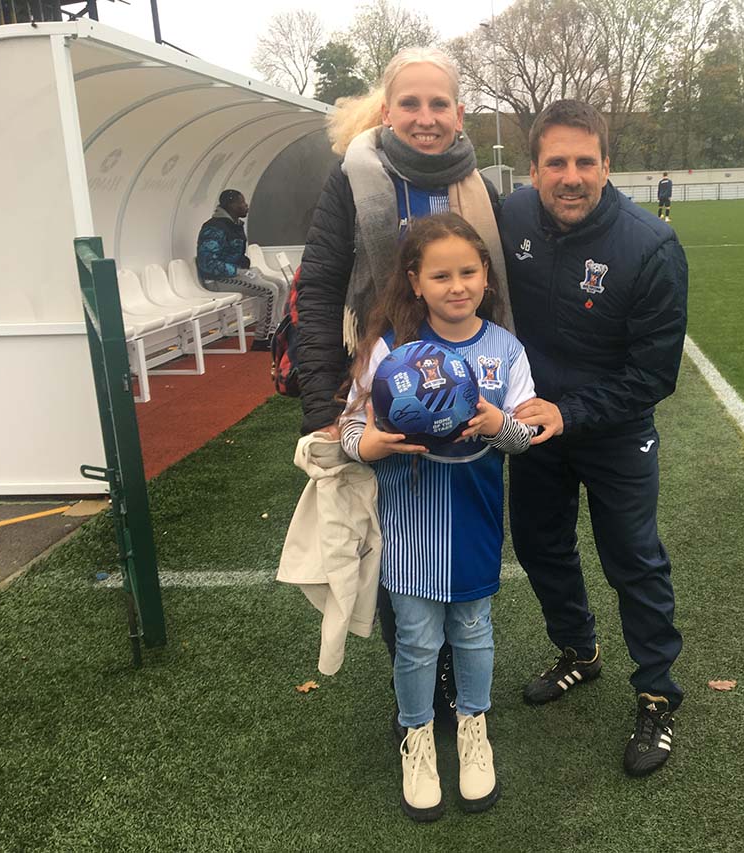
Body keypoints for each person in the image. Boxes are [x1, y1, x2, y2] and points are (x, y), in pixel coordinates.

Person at [294, 47, 510, 737]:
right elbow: (322, 289)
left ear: (460, 112)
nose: (424, 117)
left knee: (462, 529)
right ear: (387, 111)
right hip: (380, 385)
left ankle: (451, 668)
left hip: (466, 385)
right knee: (391, 539)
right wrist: (324, 406)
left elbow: (501, 291)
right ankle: (419, 677)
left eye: (438, 104)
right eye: (410, 104)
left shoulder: (478, 184)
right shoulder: (353, 177)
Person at [500, 99, 688, 777]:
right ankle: (579, 651)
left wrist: (569, 412)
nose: (571, 176)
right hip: (536, 428)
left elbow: (653, 375)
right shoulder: (511, 216)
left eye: (586, 161)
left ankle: (658, 693)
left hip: (613, 430)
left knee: (633, 558)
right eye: (557, 162)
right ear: (534, 169)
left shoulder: (650, 247)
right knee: (540, 546)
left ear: (608, 165)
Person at [340, 213, 535, 821]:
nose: (458, 286)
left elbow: (527, 433)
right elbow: (349, 424)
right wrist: (367, 445)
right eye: (441, 275)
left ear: (486, 277)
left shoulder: (506, 349)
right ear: (414, 282)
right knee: (419, 641)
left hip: (474, 515)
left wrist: (500, 425)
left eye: (469, 272)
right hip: (410, 520)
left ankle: (474, 730)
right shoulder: (389, 349)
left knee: (474, 630)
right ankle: (417, 737)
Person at [195, 189, 287, 350]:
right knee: (269, 290)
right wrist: (238, 271)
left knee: (281, 284)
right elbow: (207, 262)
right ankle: (261, 339)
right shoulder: (214, 228)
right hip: (217, 279)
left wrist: (245, 269)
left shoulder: (233, 225)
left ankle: (274, 331)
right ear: (231, 205)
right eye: (242, 203)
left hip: (235, 274)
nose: (246, 206)